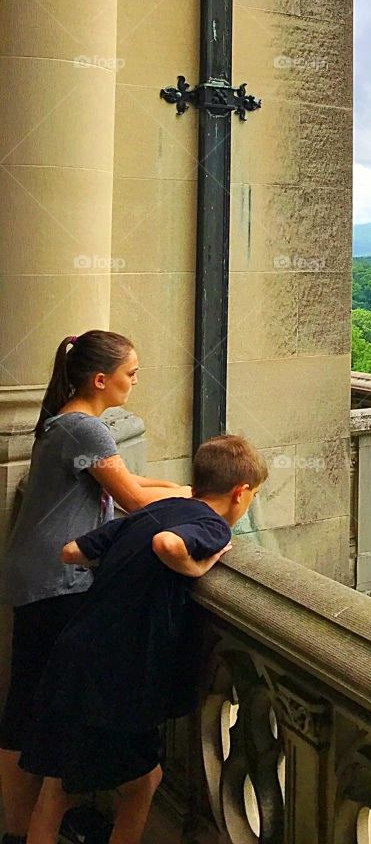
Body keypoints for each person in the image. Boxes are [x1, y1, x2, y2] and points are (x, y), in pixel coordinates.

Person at [20, 434, 267, 844]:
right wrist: (198, 566)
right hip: (116, 675)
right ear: (240, 493)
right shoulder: (211, 526)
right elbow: (167, 544)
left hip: (74, 653)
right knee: (144, 782)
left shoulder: (161, 509)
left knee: (58, 786)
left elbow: (71, 551)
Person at [0, 332, 191, 844]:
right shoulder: (87, 429)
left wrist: (184, 490)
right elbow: (132, 499)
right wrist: (200, 510)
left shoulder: (64, 422)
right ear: (101, 379)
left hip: (34, 574)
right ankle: (31, 826)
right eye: (131, 373)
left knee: (23, 706)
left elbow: (127, 480)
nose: (135, 381)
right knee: (50, 712)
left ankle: (17, 830)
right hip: (58, 581)